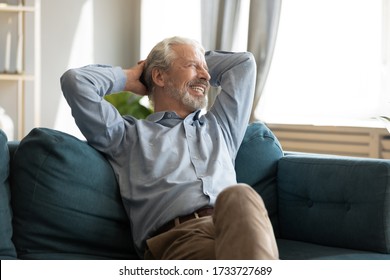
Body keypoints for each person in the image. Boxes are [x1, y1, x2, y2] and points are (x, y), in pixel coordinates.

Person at [61, 36, 278, 260]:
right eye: (193, 66)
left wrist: (193, 67)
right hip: (180, 240)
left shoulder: (221, 128)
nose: (206, 76)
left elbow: (244, 63)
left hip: (235, 228)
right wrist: (134, 76)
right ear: (159, 76)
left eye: (205, 68)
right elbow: (76, 82)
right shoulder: (125, 136)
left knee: (240, 197)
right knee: (240, 197)